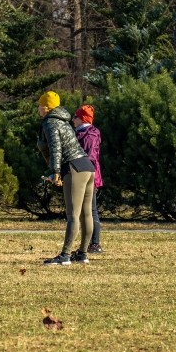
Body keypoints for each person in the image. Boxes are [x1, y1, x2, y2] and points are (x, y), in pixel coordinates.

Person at [37, 91, 94, 265]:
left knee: (73, 215)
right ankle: (82, 254)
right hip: (87, 167)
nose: (38, 109)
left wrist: (55, 171)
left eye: (40, 105)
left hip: (74, 167)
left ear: (46, 108)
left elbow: (55, 147)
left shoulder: (50, 122)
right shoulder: (64, 121)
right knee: (86, 214)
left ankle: (65, 255)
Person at [75, 104, 104, 255]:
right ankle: (89, 242)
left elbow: (90, 157)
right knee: (85, 210)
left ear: (81, 119)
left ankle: (95, 243)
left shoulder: (89, 134)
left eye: (75, 117)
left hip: (88, 175)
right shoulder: (83, 133)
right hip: (85, 173)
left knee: (91, 210)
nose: (73, 120)